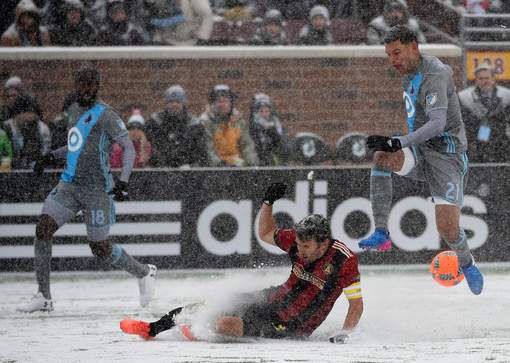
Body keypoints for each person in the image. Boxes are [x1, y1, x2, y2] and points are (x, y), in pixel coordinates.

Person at [120, 182, 363, 342]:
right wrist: (268, 202)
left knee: (225, 323)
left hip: (293, 325)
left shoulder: (344, 260)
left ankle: (194, 332)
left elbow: (356, 305)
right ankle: (152, 329)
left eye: (306, 247)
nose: (300, 250)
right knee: (211, 303)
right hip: (274, 298)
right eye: (298, 244)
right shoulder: (298, 241)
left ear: (323, 243)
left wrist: (344, 334)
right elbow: (266, 232)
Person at [16, 64, 157, 313]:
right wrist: (49, 157)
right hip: (69, 185)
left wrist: (123, 181)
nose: (86, 88)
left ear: (97, 86)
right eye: (82, 84)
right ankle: (44, 296)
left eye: (91, 84)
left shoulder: (107, 115)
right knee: (43, 229)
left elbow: (128, 148)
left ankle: (144, 272)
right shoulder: (73, 111)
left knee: (100, 249)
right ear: (76, 86)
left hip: (97, 190)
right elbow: (75, 147)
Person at [358, 25, 484, 295]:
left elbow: (438, 124)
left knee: (448, 229)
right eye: (389, 55)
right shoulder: (408, 73)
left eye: (397, 53)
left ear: (414, 47)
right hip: (421, 150)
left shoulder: (435, 74)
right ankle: (381, 233)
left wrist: (399, 141)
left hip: (447, 156)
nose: (393, 60)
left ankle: (467, 262)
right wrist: (395, 143)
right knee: (382, 157)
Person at [458, 62, 510, 163]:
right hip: (475, 145)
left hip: (501, 145)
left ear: (493, 79)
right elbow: (462, 122)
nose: (484, 81)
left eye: (487, 78)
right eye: (480, 79)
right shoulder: (465, 98)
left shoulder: (506, 96)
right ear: (476, 80)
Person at [146, 85, 207, 167]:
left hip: (187, 170)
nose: (174, 105)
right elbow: (151, 147)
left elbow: (200, 152)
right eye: (171, 102)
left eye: (178, 102)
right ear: (166, 104)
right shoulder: (155, 123)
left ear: (183, 103)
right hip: (161, 169)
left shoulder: (194, 125)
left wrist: (191, 166)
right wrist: (160, 164)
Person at [199, 84, 258, 167]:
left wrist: (251, 163)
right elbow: (208, 149)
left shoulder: (238, 121)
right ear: (213, 104)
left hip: (238, 166)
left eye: (226, 101)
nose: (222, 105)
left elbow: (247, 144)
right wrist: (220, 164)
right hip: (214, 169)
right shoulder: (205, 122)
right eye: (219, 101)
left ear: (231, 104)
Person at [2, 76, 51, 169]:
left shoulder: (28, 100)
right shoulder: (8, 113)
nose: (11, 97)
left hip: (33, 140)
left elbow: (34, 116)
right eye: (8, 96)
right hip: (17, 142)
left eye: (13, 94)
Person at [144, 0, 213, 45]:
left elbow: (206, 15)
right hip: (164, 41)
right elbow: (151, 6)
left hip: (187, 43)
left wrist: (202, 39)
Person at [248, 93, 288, 165]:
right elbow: (255, 145)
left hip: (275, 159)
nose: (264, 114)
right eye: (261, 111)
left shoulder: (276, 125)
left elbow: (281, 144)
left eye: (267, 111)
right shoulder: (253, 127)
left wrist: (273, 132)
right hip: (260, 161)